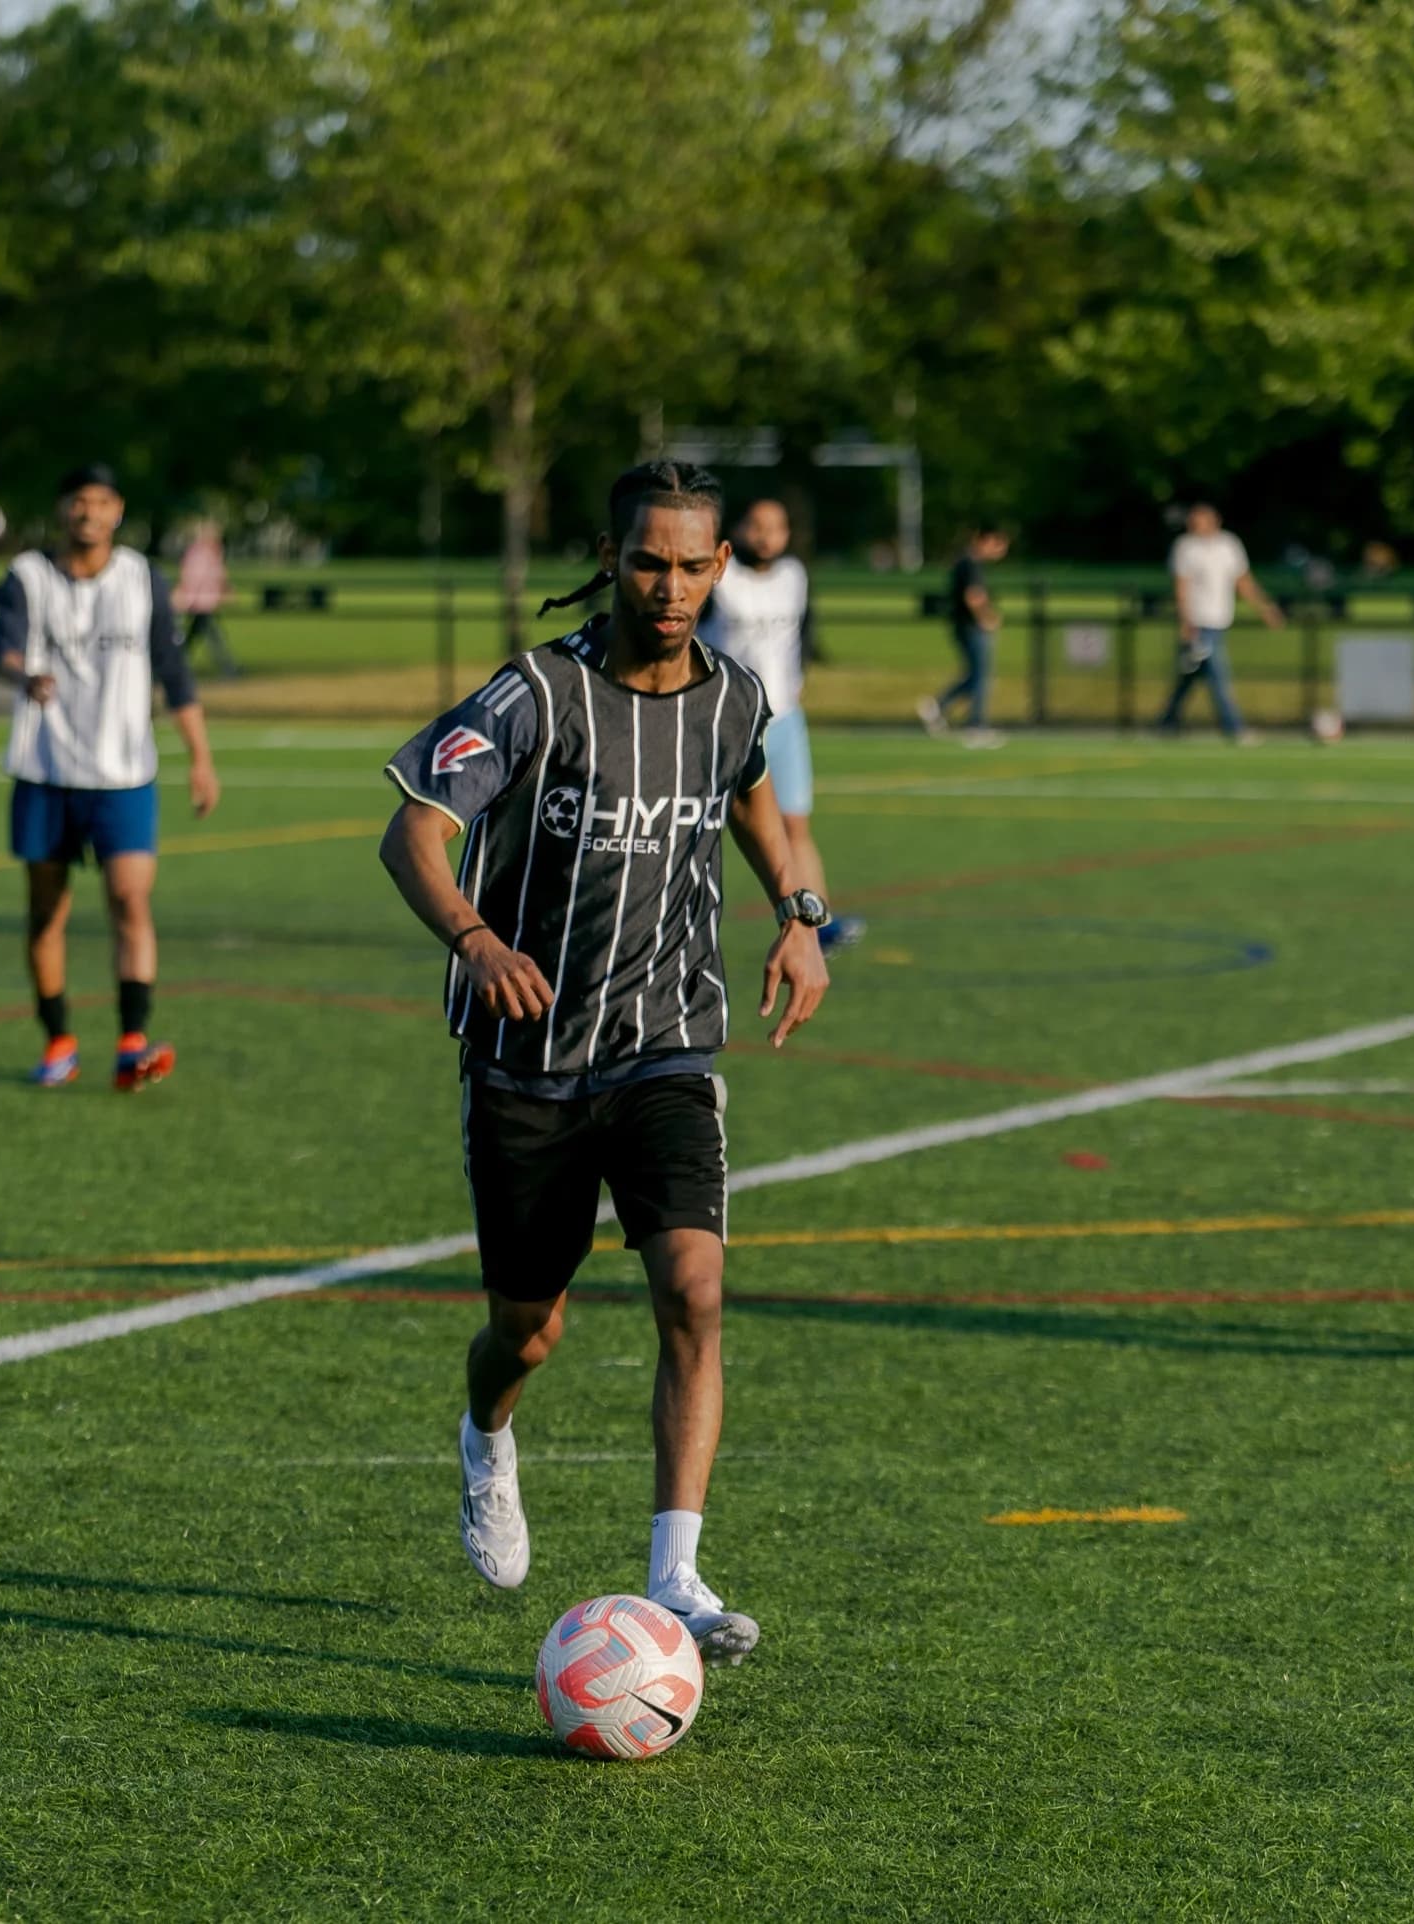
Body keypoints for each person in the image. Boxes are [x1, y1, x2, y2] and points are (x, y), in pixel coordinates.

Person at [377, 460, 832, 1664]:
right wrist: (473, 938)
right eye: (648, 561)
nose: (670, 586)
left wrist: (799, 907)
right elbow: (413, 829)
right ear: (611, 554)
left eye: (692, 564)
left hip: (665, 1043)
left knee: (693, 1287)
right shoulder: (536, 693)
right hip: (527, 1061)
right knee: (526, 1328)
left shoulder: (733, 697)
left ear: (720, 565)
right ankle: (487, 1432)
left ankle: (674, 1574)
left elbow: (748, 798)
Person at [0, 463, 222, 1090]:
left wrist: (199, 757)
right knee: (46, 913)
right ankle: (58, 1040)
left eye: (101, 502)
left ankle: (132, 1040)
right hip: (45, 770)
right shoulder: (28, 576)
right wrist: (24, 676)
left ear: (117, 512)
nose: (88, 512)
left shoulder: (142, 578)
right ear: (63, 510)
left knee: (129, 898)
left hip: (124, 775)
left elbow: (174, 671)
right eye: (78, 501)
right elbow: (4, 651)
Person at [701, 497, 863, 959]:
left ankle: (818, 923)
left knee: (795, 823)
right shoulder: (719, 576)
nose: (766, 535)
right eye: (756, 525)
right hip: (727, 720)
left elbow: (803, 631)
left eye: (776, 526)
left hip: (785, 719)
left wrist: (801, 677)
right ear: (738, 530)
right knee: (698, 824)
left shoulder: (794, 575)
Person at [1159, 502, 1284, 742]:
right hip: (1198, 623)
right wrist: (1186, 622)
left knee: (1188, 677)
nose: (1194, 526)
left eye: (1200, 521)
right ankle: (1234, 728)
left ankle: (1166, 723)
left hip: (1219, 622)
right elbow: (1181, 588)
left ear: (1215, 521)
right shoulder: (1186, 547)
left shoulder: (1229, 545)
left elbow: (1243, 581)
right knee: (1218, 677)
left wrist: (1265, 608)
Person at [918, 523, 1010, 746]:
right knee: (981, 678)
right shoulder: (970, 563)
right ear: (984, 540)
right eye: (997, 544)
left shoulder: (966, 561)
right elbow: (973, 596)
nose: (999, 551)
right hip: (970, 627)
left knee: (975, 676)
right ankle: (976, 725)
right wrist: (987, 618)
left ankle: (937, 706)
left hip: (964, 626)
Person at [171, 519, 240, 678]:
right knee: (211, 636)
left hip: (201, 600)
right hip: (201, 601)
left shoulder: (203, 552)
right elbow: (199, 577)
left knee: (199, 635)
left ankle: (177, 664)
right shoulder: (202, 553)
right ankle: (228, 667)